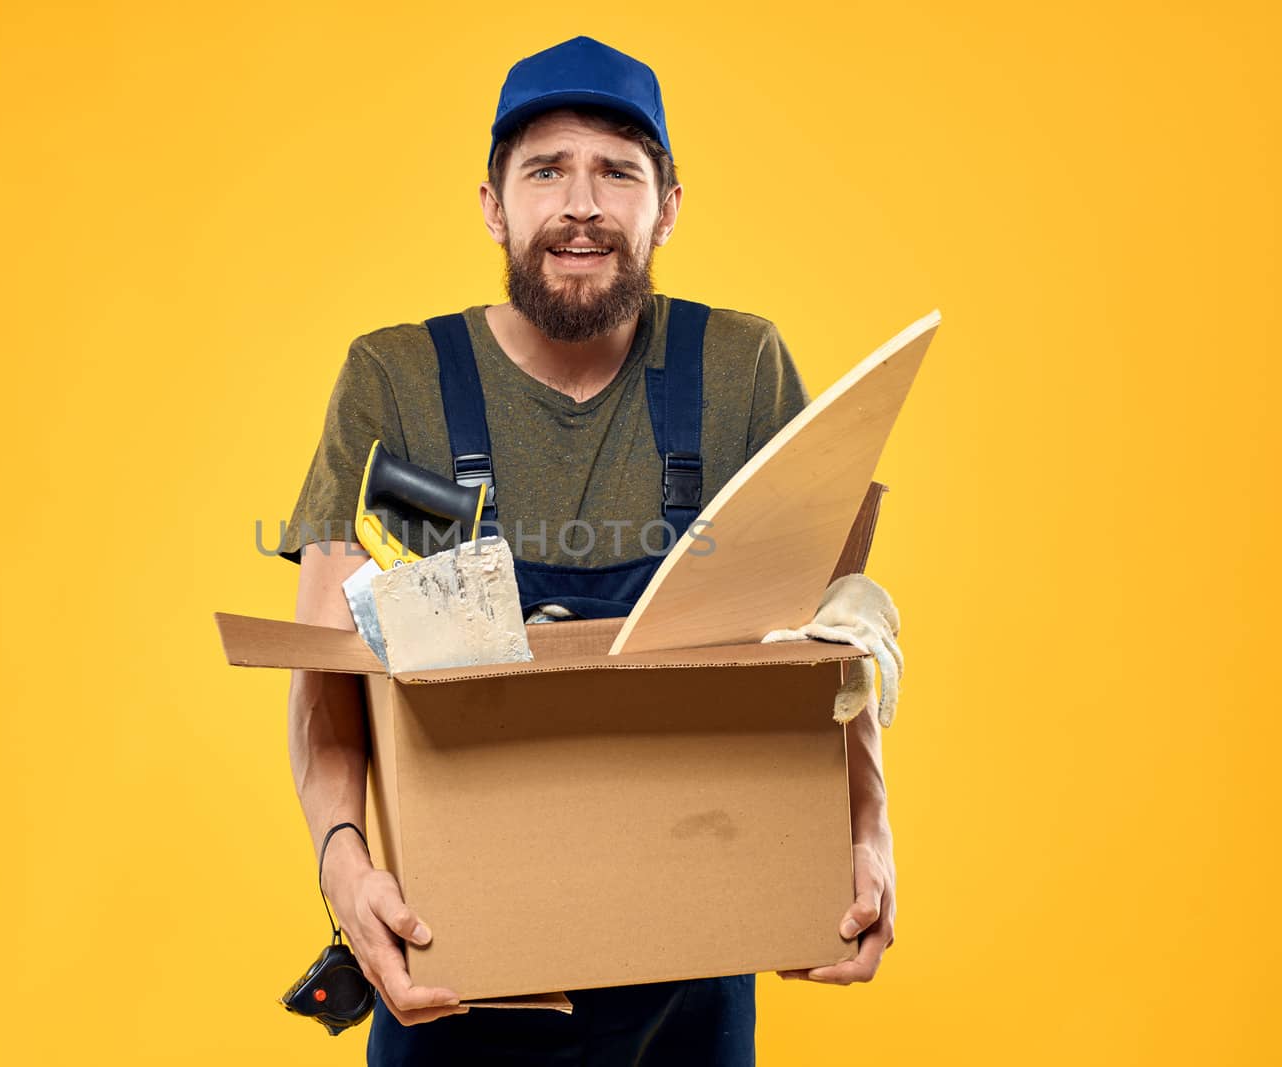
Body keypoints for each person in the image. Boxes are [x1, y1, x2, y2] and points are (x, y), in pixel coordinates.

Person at [278, 35, 900, 1066]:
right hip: (456, 961)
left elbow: (830, 638)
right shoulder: (393, 376)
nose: (581, 203)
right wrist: (345, 869)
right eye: (546, 170)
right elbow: (321, 661)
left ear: (666, 206)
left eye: (618, 169)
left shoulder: (740, 365)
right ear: (492, 204)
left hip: (694, 968)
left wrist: (867, 828)